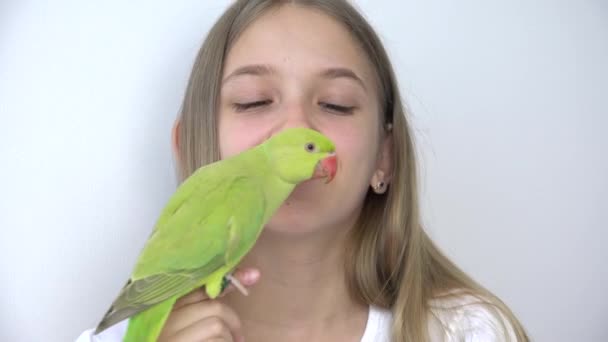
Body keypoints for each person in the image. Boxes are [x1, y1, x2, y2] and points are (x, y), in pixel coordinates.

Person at [77, 1, 529, 341]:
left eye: (336, 104)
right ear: (189, 148)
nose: (294, 128)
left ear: (383, 159)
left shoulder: (469, 331)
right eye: (253, 100)